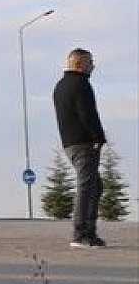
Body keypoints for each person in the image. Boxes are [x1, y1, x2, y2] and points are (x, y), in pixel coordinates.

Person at [53, 48, 108, 248]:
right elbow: (87, 114)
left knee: (95, 185)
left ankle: (89, 233)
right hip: (84, 143)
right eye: (90, 62)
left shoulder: (61, 86)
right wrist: (98, 137)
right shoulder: (81, 84)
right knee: (86, 187)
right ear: (79, 64)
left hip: (70, 143)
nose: (93, 66)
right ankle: (81, 235)